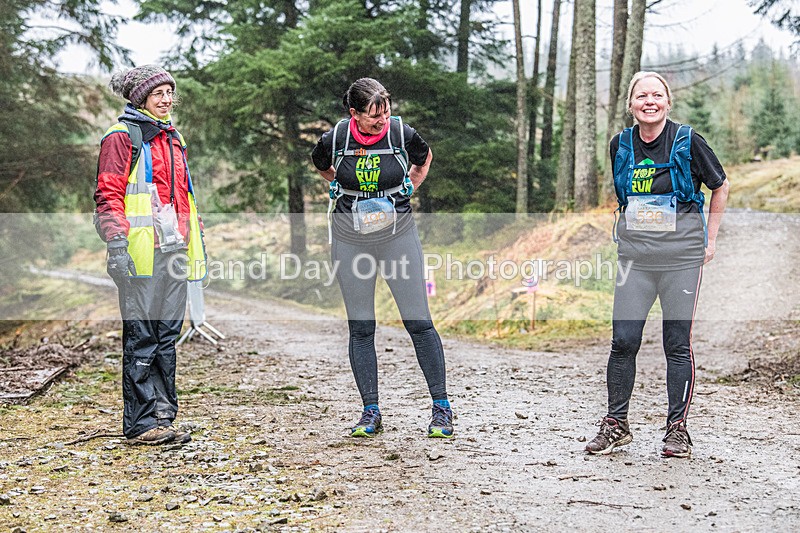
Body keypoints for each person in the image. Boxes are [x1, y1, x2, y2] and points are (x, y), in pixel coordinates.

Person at [585, 71, 729, 458]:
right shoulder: (620, 143)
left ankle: (677, 430)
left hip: (681, 259)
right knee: (623, 341)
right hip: (634, 259)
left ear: (667, 102)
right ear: (631, 104)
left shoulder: (687, 140)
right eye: (641, 96)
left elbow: (720, 185)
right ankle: (616, 425)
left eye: (657, 95)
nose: (649, 102)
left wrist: (710, 239)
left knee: (676, 344)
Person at [311, 78, 453, 438]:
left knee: (418, 321)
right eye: (374, 116)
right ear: (354, 113)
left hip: (397, 238)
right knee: (361, 327)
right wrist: (341, 187)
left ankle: (441, 409)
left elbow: (424, 157)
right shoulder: (337, 139)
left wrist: (411, 184)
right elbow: (320, 163)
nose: (382, 120)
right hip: (350, 240)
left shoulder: (401, 132)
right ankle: (370, 412)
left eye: (385, 112)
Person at [94, 65, 206, 446]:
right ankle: (141, 423)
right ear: (140, 98)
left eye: (170, 91)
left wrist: (198, 241)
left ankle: (163, 415)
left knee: (166, 335)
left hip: (175, 250)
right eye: (158, 93)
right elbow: (108, 194)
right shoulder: (121, 137)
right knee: (141, 336)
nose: (167, 99)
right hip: (140, 253)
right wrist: (116, 244)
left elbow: (184, 196)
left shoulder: (174, 137)